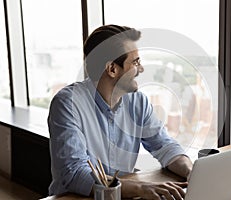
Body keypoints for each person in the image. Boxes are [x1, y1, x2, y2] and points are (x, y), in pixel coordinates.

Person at [48, 24, 193, 200]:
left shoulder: (138, 102)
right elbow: (75, 173)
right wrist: (140, 187)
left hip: (123, 195)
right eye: (136, 62)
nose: (141, 69)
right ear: (112, 69)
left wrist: (190, 171)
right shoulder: (67, 104)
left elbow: (165, 145)